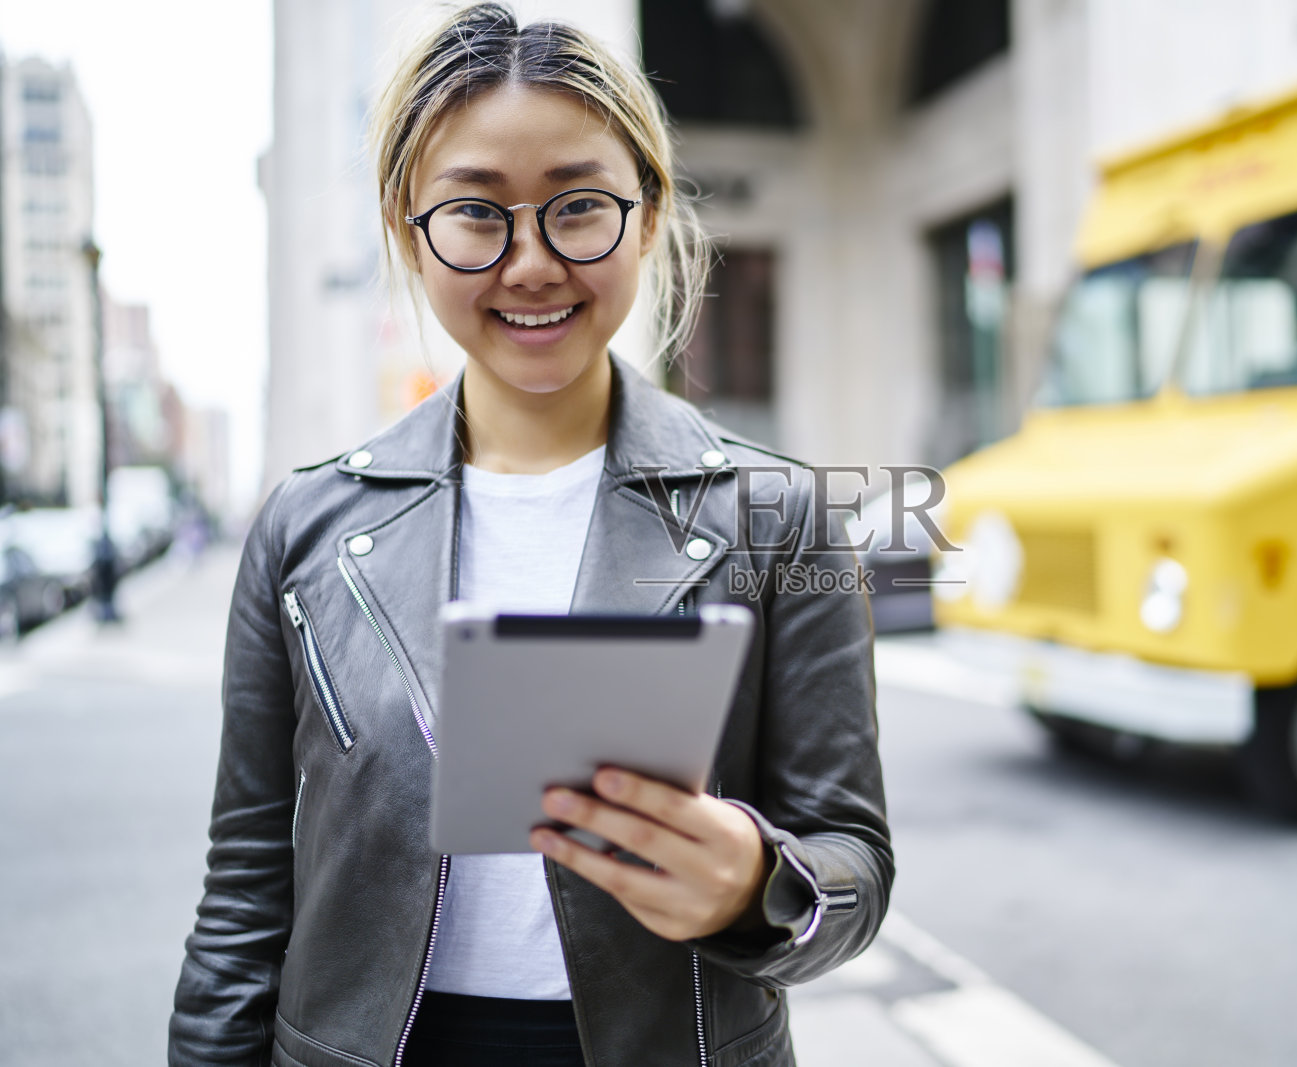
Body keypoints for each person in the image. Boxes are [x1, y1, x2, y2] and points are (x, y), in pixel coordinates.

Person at [168, 6, 892, 1066]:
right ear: (407, 228)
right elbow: (244, 893)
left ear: (646, 215)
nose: (532, 263)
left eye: (579, 206)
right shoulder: (304, 526)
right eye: (475, 213)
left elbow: (853, 861)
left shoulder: (776, 514)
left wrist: (758, 882)